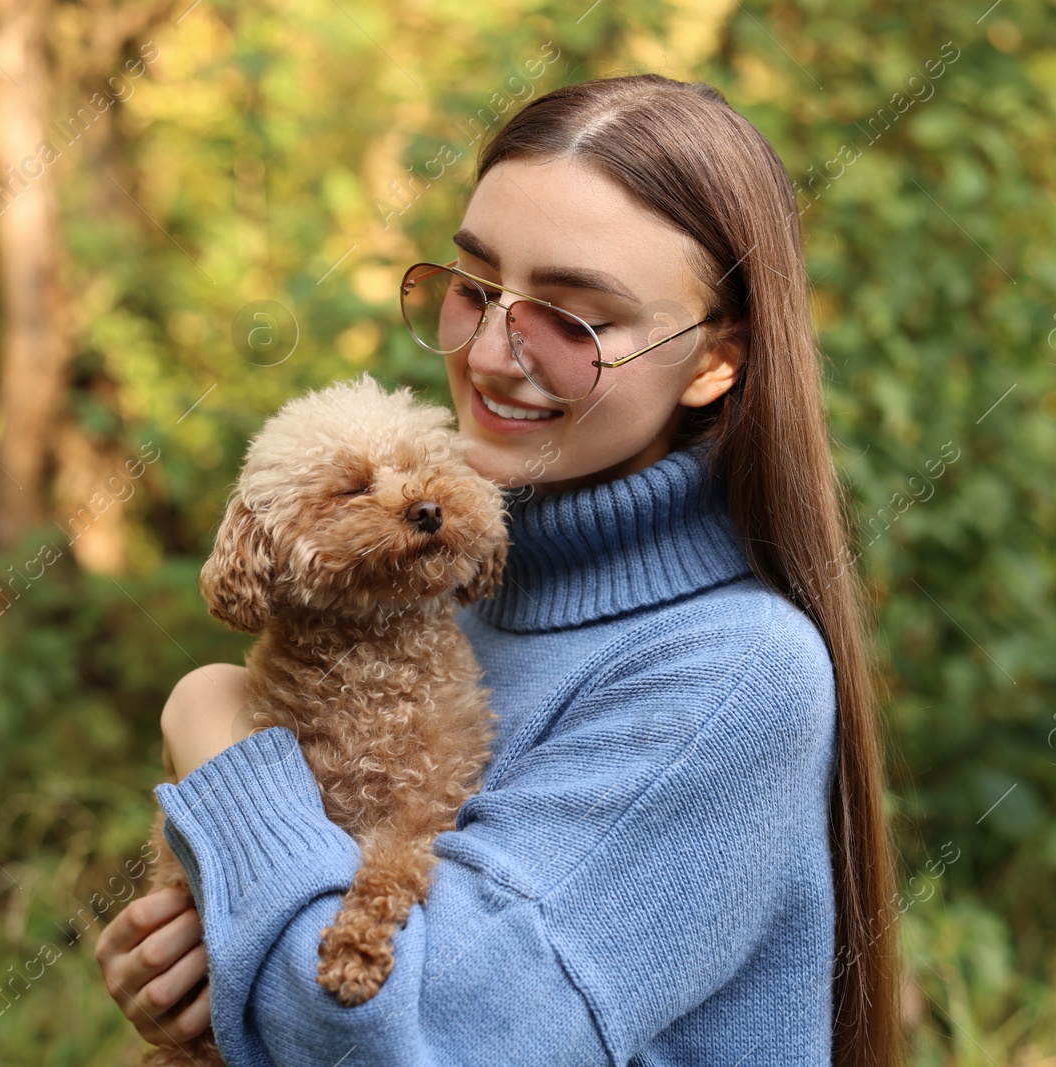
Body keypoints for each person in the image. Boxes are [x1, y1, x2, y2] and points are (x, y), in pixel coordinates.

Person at [96, 72, 902, 1066]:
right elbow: (302, 983)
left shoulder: (731, 673)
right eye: (475, 288)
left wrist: (214, 723)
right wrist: (213, 982)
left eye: (574, 321)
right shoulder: (431, 601)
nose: (488, 352)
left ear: (713, 361)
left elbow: (413, 1036)